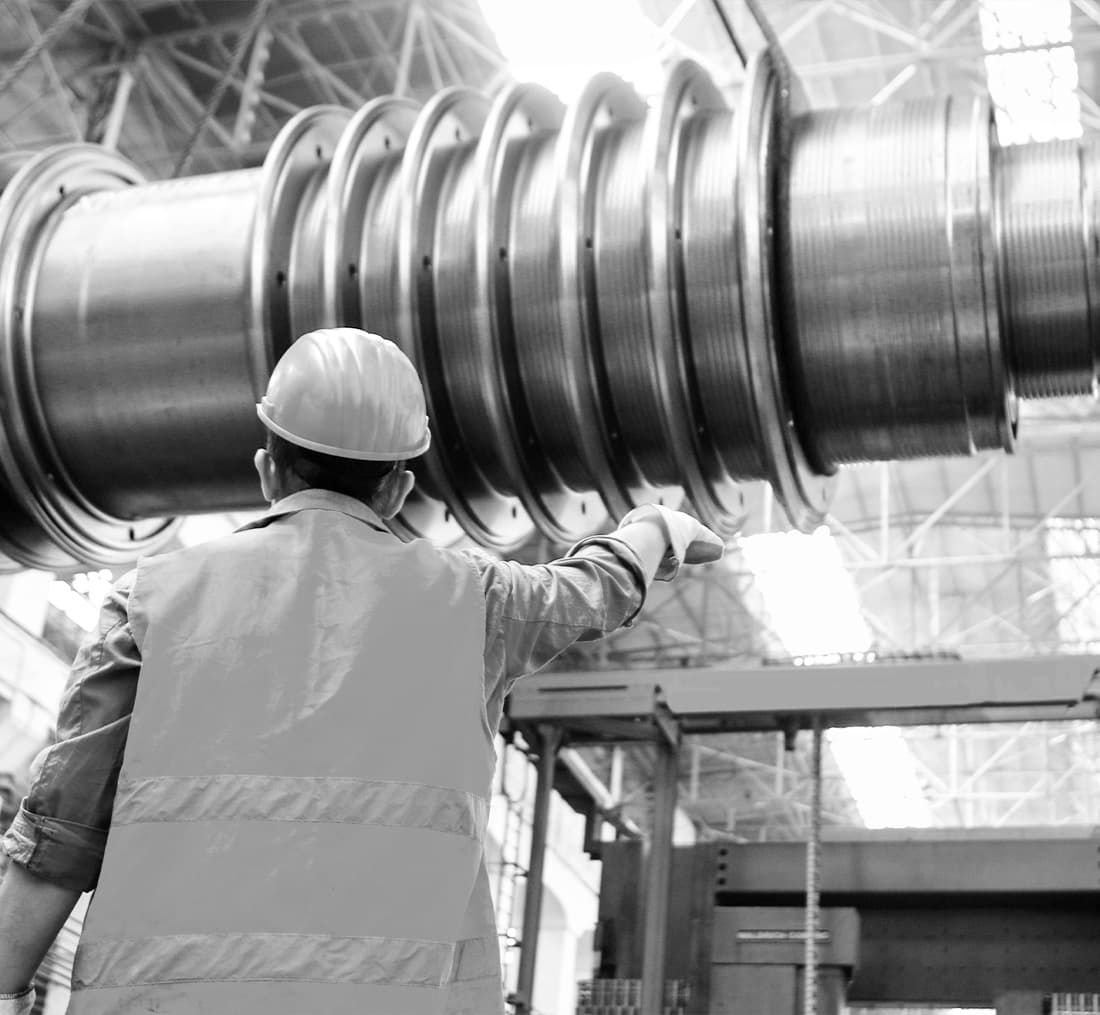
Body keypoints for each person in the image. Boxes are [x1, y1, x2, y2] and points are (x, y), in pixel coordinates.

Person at [0, 328, 723, 1015]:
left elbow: (58, 834)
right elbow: (594, 588)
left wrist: (9, 988)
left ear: (266, 469)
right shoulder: (481, 603)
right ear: (398, 490)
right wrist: (654, 529)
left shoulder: (150, 597)